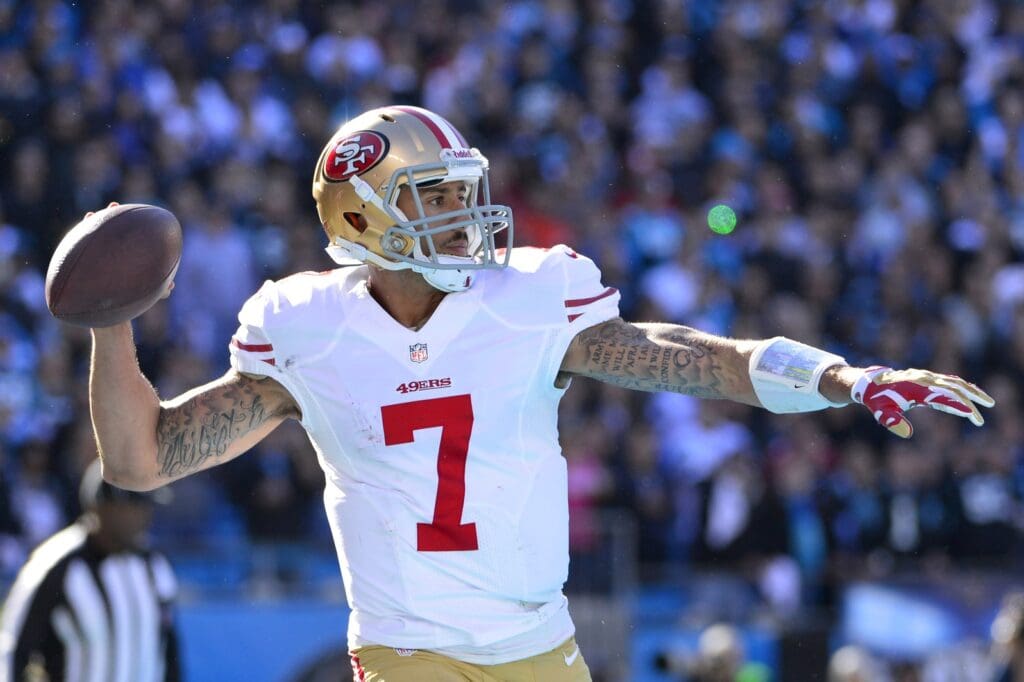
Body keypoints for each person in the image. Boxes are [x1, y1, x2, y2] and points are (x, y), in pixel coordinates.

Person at [86, 105, 993, 681]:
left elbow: (688, 354)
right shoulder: (306, 326)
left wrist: (841, 376)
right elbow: (140, 458)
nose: (463, 215)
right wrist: (109, 318)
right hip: (409, 650)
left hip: (540, 647)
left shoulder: (528, 298)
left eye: (457, 192)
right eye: (432, 198)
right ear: (364, 219)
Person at [0, 458, 179, 682]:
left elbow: (168, 647)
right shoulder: (58, 564)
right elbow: (15, 648)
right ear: (103, 507)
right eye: (136, 506)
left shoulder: (153, 564)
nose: (144, 517)